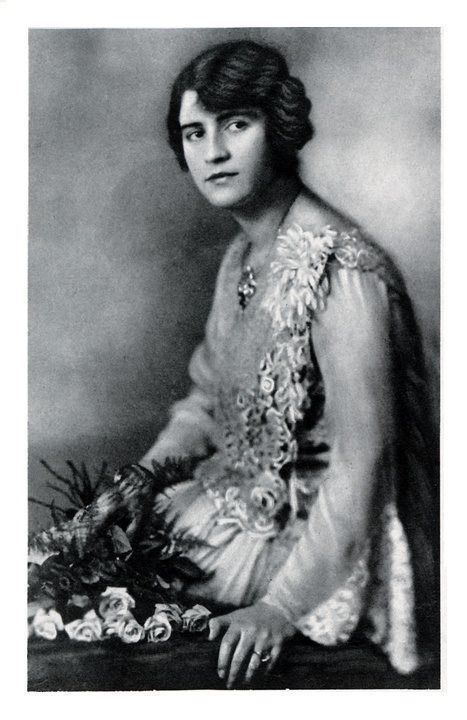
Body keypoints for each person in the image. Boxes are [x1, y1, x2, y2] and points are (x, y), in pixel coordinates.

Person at [31, 40, 438, 687]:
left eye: (235, 125)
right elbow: (204, 401)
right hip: (225, 508)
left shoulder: (339, 268)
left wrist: (278, 608)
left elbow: (365, 461)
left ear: (276, 129)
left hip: (315, 546)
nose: (212, 151)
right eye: (195, 132)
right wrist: (139, 479)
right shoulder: (241, 258)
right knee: (61, 582)